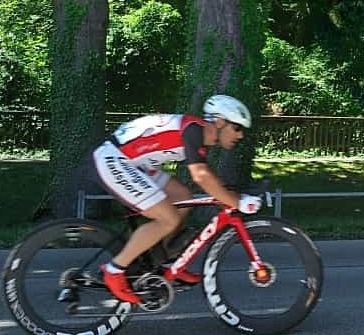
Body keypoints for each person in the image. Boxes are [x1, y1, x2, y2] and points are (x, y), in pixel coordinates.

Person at [92, 94, 263, 304]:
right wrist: (236, 202)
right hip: (116, 159)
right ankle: (114, 270)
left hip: (135, 162)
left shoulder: (198, 133)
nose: (240, 135)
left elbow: (207, 176)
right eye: (237, 128)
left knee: (183, 196)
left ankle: (161, 262)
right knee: (168, 219)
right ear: (220, 122)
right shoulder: (195, 130)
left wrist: (230, 194)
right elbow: (200, 175)